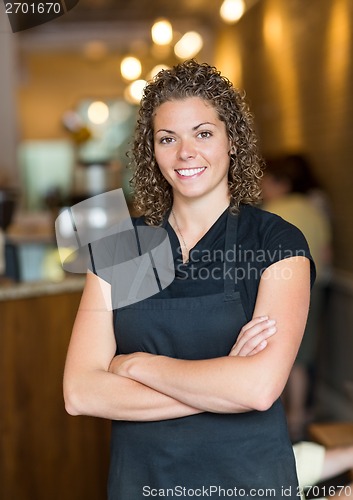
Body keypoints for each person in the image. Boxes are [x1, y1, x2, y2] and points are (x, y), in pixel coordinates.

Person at [63, 60, 315, 499]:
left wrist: (135, 366)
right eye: (167, 138)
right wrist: (222, 385)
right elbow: (81, 393)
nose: (185, 153)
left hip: (247, 480)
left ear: (231, 139)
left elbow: (258, 388)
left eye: (203, 133)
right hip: (141, 482)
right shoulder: (121, 246)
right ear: (151, 151)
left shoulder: (276, 242)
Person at [261, 154, 332, 440]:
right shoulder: (315, 208)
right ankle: (299, 416)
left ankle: (281, 419)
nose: (262, 186)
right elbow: (326, 253)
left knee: (278, 350)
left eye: (266, 181)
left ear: (281, 183)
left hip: (283, 286)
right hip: (318, 285)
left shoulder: (275, 211)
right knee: (302, 356)